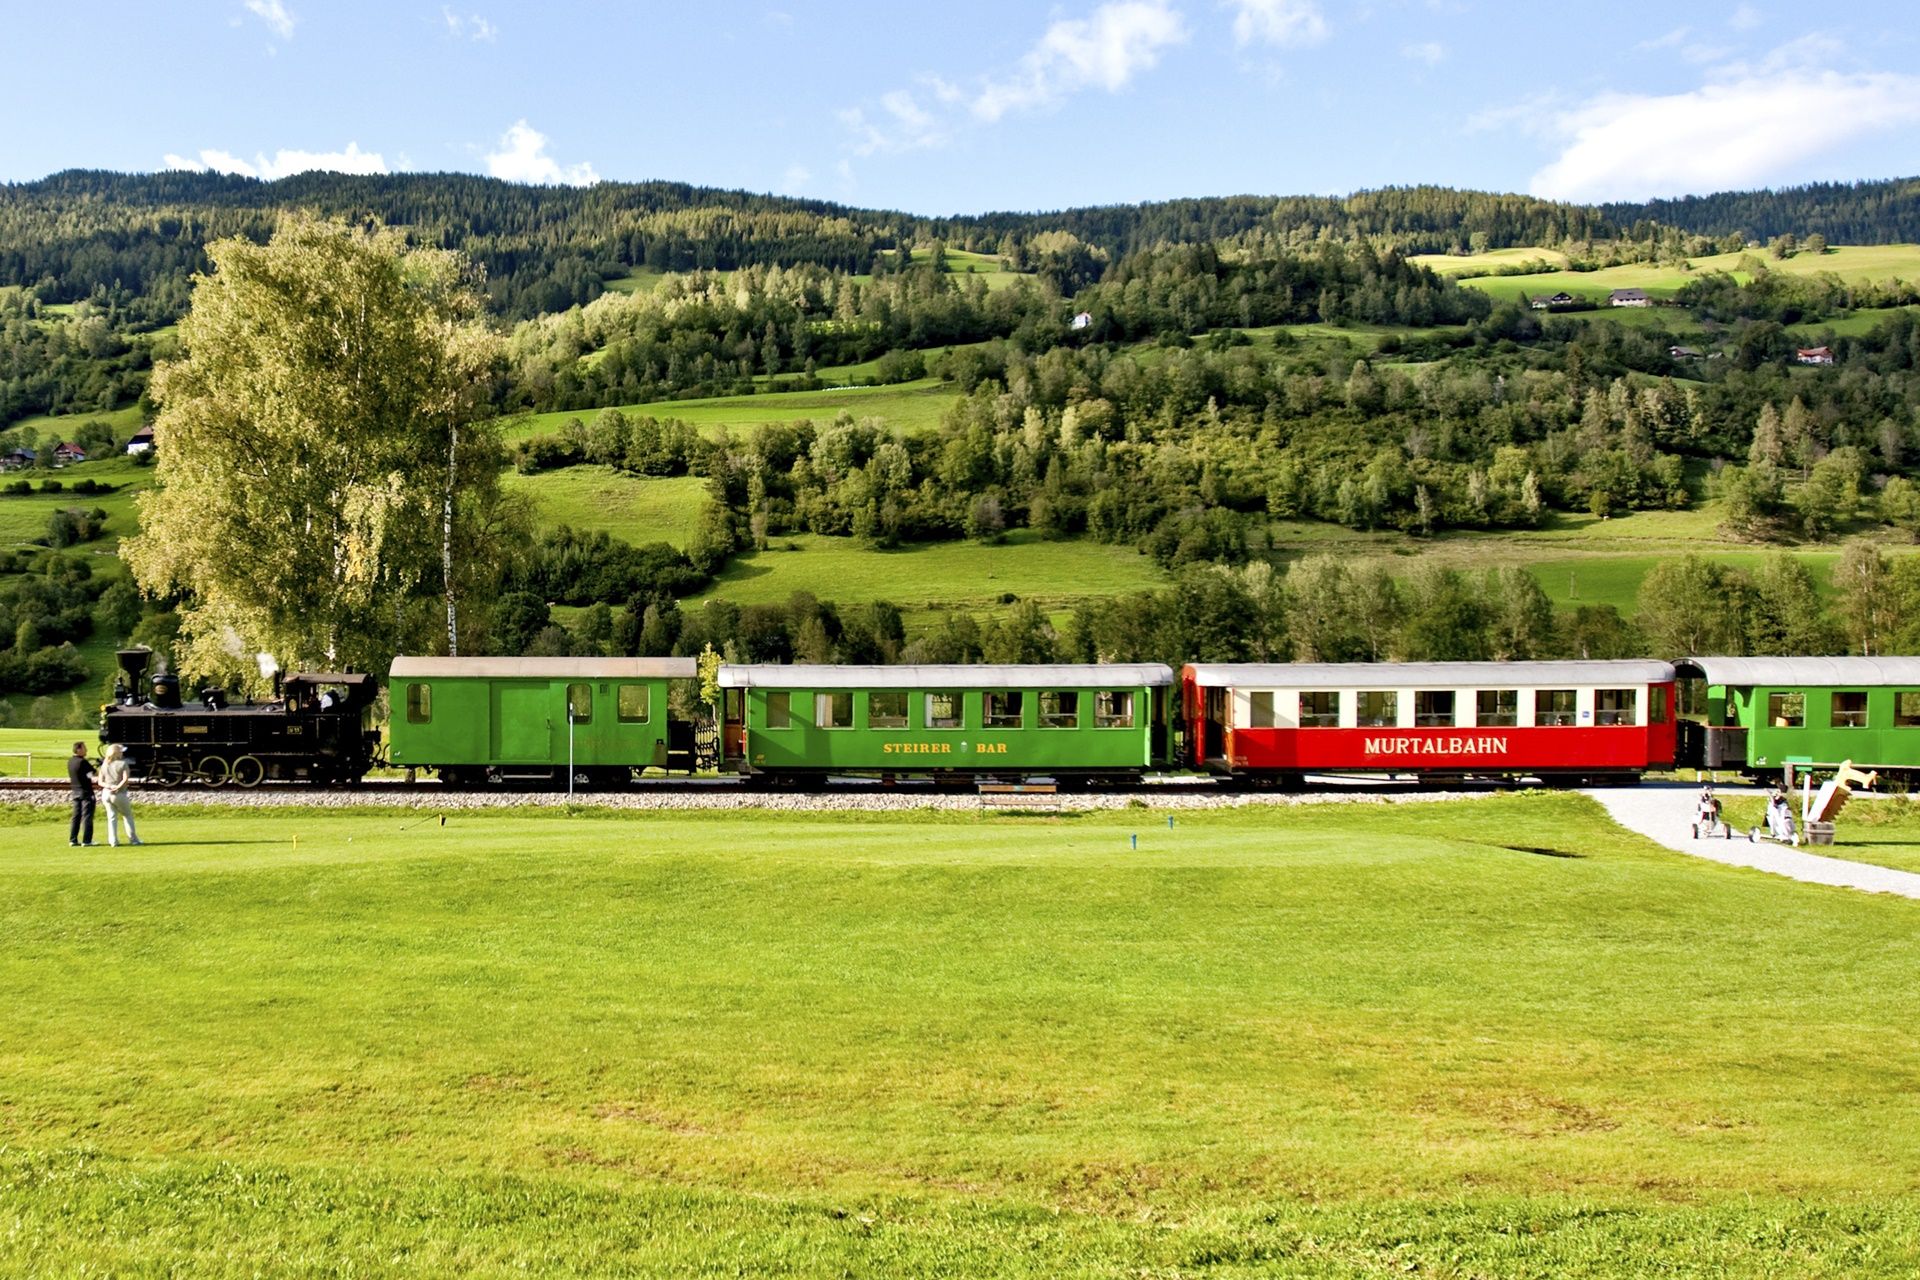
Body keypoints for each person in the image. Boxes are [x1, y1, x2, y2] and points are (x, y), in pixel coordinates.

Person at [97, 742, 141, 847]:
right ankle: (133, 840)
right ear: (117, 753)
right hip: (119, 793)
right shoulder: (123, 764)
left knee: (111, 817)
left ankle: (113, 841)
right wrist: (117, 787)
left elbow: (100, 782)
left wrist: (109, 786)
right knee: (127, 815)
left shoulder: (104, 764)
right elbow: (125, 779)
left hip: (106, 793)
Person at [66, 741, 96, 847]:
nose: (86, 750)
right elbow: (93, 773)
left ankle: (73, 839)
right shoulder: (83, 762)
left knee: (76, 816)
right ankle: (87, 840)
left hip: (75, 791)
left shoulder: (70, 761)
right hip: (86, 792)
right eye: (84, 748)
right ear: (78, 749)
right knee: (87, 816)